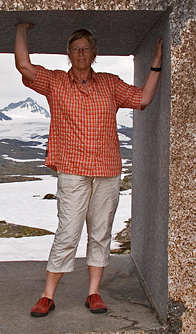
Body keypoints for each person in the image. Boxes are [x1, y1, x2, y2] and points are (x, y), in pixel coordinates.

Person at [14, 21, 163, 317]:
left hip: (107, 170)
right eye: (75, 48)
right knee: (68, 232)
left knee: (100, 232)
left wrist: (156, 64)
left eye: (86, 48)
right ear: (68, 53)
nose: (80, 53)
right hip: (72, 169)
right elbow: (24, 66)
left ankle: (94, 293)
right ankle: (47, 295)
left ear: (94, 52)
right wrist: (21, 29)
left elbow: (143, 99)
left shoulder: (110, 83)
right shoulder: (55, 82)